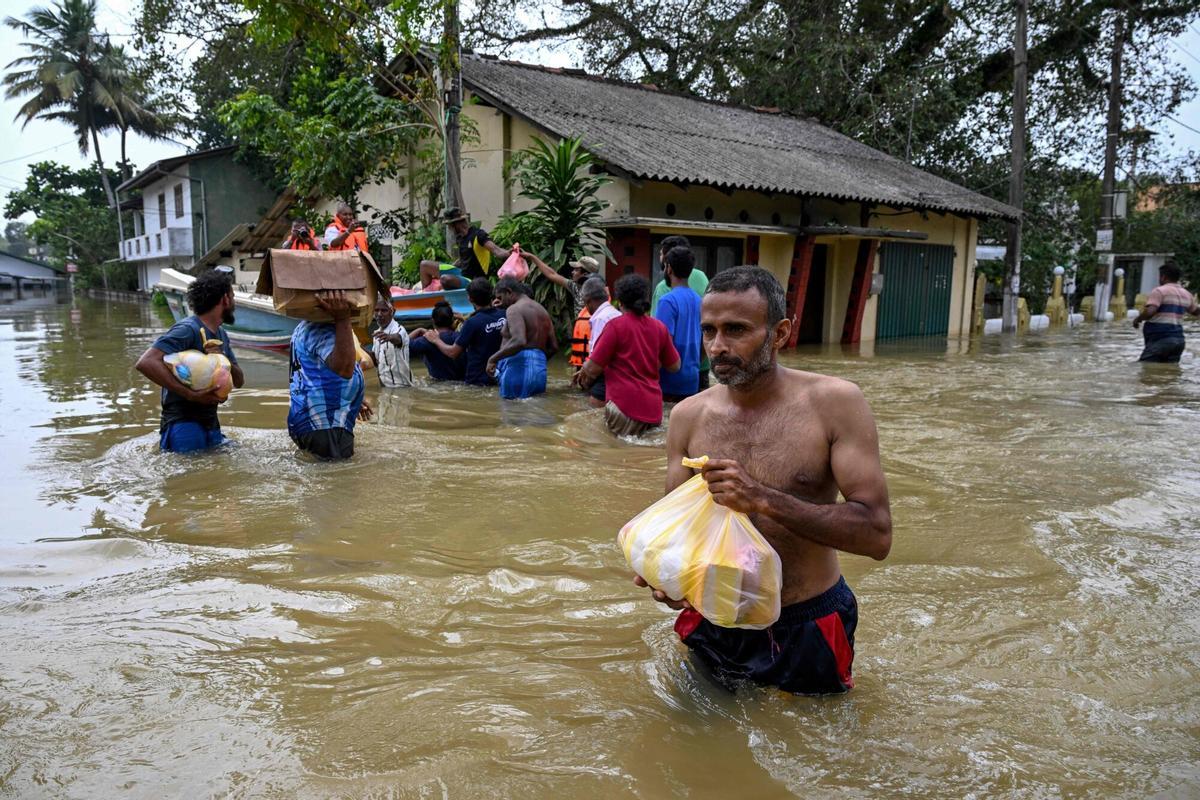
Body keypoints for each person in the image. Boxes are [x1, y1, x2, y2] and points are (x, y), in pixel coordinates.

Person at [635, 265, 892, 695]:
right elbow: (679, 534)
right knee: (700, 745)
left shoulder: (834, 404)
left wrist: (761, 498)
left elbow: (876, 536)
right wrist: (666, 579)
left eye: (736, 329)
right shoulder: (687, 417)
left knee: (815, 753)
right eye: (709, 331)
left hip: (807, 621)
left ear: (781, 333)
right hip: (713, 618)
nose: (718, 347)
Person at [136, 268, 245, 453]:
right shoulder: (187, 329)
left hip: (210, 424)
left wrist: (222, 357)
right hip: (183, 424)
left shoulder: (221, 335)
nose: (234, 302)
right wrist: (190, 395)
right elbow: (146, 362)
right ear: (225, 299)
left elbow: (240, 381)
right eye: (233, 297)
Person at [577, 274, 680, 437]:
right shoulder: (659, 327)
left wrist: (583, 372)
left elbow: (592, 369)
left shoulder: (615, 327)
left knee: (616, 456)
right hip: (653, 409)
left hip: (623, 407)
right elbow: (675, 366)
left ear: (620, 300)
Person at [287, 290, 374, 460]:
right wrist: (343, 318)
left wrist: (350, 399)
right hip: (323, 426)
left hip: (315, 423)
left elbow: (314, 375)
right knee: (341, 484)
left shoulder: (305, 327)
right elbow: (345, 368)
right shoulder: (320, 328)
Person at [422, 277, 506, 386]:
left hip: (478, 381)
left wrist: (436, 340)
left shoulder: (472, 323)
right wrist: (464, 320)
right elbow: (485, 326)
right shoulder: (504, 315)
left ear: (470, 299)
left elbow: (453, 353)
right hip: (500, 376)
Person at [487, 277, 557, 399]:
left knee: (512, 413)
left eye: (500, 297)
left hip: (519, 367)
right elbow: (554, 347)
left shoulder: (514, 309)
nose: (499, 301)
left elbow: (519, 341)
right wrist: (536, 362)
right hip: (540, 369)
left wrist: (492, 359)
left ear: (509, 291)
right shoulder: (542, 310)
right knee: (534, 414)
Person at [655, 246, 703, 402]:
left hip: (669, 384)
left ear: (669, 268)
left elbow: (662, 346)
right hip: (692, 380)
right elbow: (705, 343)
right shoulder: (699, 300)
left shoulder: (667, 301)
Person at [1132, 260, 1199, 363]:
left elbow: (1150, 312)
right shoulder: (1187, 294)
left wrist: (1137, 319)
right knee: (1169, 372)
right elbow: (1196, 312)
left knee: (1145, 368)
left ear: (1163, 277)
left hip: (1160, 338)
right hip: (1179, 341)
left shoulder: (1159, 291)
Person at [573, 276, 620, 407]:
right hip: (618, 376)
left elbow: (599, 356)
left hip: (606, 377)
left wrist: (586, 377)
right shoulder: (614, 313)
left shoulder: (600, 318)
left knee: (593, 412)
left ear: (588, 301)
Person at [443, 207, 510, 280]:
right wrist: (449, 268)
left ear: (457, 224)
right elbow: (463, 259)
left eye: (450, 226)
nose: (449, 229)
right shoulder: (460, 239)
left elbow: (497, 250)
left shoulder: (478, 235)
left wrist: (511, 253)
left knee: (446, 279)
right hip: (464, 279)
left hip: (478, 282)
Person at [528, 251, 600, 318]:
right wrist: (532, 257)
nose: (572, 272)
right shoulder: (575, 286)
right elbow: (552, 274)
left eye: (576, 270)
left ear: (585, 274)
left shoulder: (597, 294)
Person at [408, 301, 467, 381]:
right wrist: (463, 320)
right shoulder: (461, 337)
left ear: (433, 320)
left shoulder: (427, 340)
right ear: (453, 320)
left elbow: (404, 345)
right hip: (462, 382)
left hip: (438, 384)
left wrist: (419, 330)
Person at [370, 296, 414, 388]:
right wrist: (358, 348)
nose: (379, 314)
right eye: (376, 310)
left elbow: (397, 339)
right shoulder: (376, 334)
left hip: (402, 389)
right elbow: (375, 361)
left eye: (384, 310)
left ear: (392, 311)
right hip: (385, 388)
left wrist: (389, 337)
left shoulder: (399, 330)